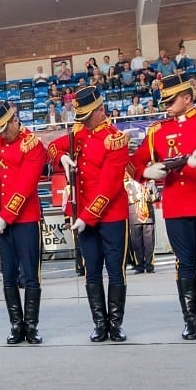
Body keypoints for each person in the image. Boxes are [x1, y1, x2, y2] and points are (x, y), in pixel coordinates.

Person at [129, 71, 196, 340]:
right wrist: (145, 173)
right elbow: (134, 162)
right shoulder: (157, 131)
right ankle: (190, 321)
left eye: (171, 100)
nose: (166, 106)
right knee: (184, 263)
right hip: (177, 207)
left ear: (187, 98)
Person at [47, 86, 130, 343]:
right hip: (83, 214)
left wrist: (86, 217)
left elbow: (109, 185)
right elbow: (51, 147)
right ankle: (99, 323)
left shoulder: (115, 139)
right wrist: (61, 158)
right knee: (91, 271)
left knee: (115, 271)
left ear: (100, 111)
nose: (81, 121)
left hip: (110, 216)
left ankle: (115, 324)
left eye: (86, 116)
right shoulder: (79, 133)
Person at [0, 101, 48, 344]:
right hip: (1, 219)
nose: (1, 134)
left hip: (24, 219)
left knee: (31, 275)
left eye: (4, 129)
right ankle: (16, 324)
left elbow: (26, 185)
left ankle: (31, 325)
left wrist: (6, 216)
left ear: (15, 120)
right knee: (8, 275)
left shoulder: (32, 144)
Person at [126, 177, 158, 274]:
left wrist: (147, 197)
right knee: (136, 244)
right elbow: (123, 199)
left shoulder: (150, 182)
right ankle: (139, 265)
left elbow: (157, 196)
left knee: (149, 243)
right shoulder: (128, 184)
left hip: (148, 217)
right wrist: (137, 197)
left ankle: (149, 265)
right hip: (134, 217)